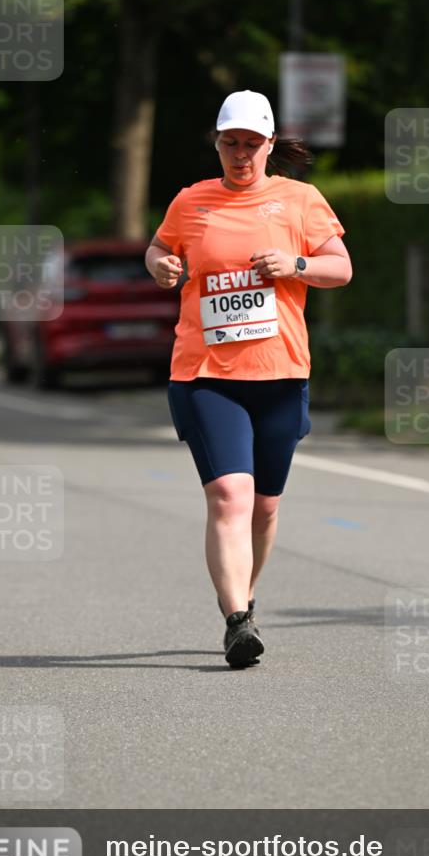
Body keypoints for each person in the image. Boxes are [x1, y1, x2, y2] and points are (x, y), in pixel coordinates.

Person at [145, 90, 352, 669]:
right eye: (230, 143)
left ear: (269, 145)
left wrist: (298, 265)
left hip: (281, 372)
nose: (240, 154)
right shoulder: (191, 202)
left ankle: (246, 595)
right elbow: (160, 250)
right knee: (229, 495)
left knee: (263, 507)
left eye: (251, 144)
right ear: (217, 143)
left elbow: (341, 267)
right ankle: (237, 621)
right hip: (205, 373)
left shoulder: (300, 200)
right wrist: (159, 264)